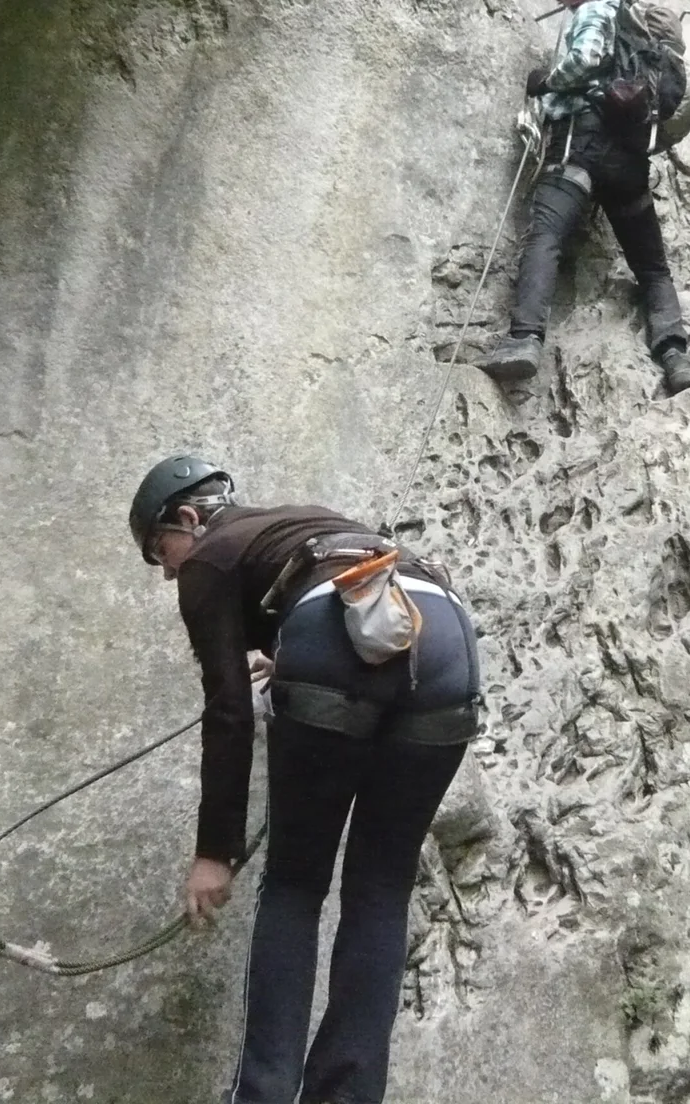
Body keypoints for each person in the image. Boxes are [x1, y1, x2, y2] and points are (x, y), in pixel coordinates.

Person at [128, 454, 482, 1104]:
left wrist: (214, 852)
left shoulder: (209, 559)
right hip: (445, 639)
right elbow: (365, 599)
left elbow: (228, 710)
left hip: (332, 634)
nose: (169, 570)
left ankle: (263, 1094)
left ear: (186, 518)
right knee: (381, 887)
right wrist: (298, 651)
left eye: (162, 551)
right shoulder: (297, 520)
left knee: (294, 884)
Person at [474, 0, 690, 395]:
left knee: (545, 236)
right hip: (628, 157)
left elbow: (585, 60)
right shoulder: (635, 28)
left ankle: (524, 341)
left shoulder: (597, 12)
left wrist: (546, 81)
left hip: (580, 141)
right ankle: (676, 356)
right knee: (651, 266)